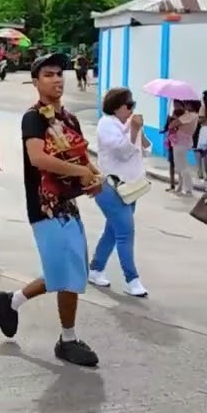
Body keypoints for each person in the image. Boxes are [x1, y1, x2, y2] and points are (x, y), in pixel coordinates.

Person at [0, 53, 102, 367]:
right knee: (67, 272)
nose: (56, 79)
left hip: (68, 205)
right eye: (49, 74)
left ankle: (11, 301)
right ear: (36, 81)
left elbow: (81, 158)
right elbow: (38, 159)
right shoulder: (33, 118)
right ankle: (67, 339)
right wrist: (82, 173)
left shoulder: (69, 119)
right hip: (44, 206)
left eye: (59, 74)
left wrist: (92, 176)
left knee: (71, 268)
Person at [88, 87, 149, 296]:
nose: (131, 110)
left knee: (113, 232)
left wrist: (140, 132)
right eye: (128, 106)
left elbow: (144, 150)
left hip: (131, 187)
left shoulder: (130, 124)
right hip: (110, 187)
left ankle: (95, 268)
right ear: (116, 108)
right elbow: (123, 152)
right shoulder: (107, 125)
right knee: (125, 232)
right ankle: (132, 279)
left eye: (134, 105)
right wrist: (133, 131)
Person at [168, 99, 199, 196]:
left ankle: (188, 189)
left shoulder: (189, 116)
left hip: (180, 142)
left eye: (187, 104)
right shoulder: (193, 115)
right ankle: (180, 186)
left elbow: (172, 125)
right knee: (179, 166)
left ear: (191, 105)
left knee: (183, 166)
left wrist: (174, 118)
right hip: (182, 141)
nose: (185, 106)